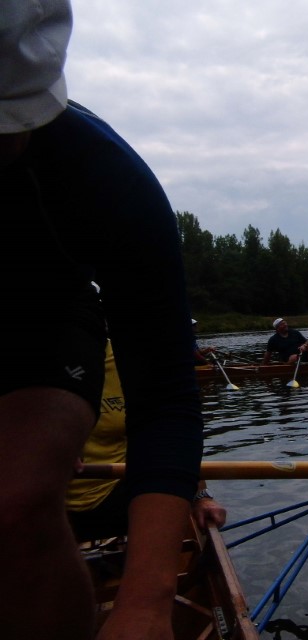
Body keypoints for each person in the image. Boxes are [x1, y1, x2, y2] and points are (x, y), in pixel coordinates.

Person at [0, 3, 203, 637]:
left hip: (36, 303)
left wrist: (145, 602)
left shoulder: (107, 181)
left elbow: (165, 395)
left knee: (16, 502)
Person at [67, 340, 226, 541]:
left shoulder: (131, 359)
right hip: (46, 500)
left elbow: (172, 435)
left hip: (115, 491)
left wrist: (201, 496)